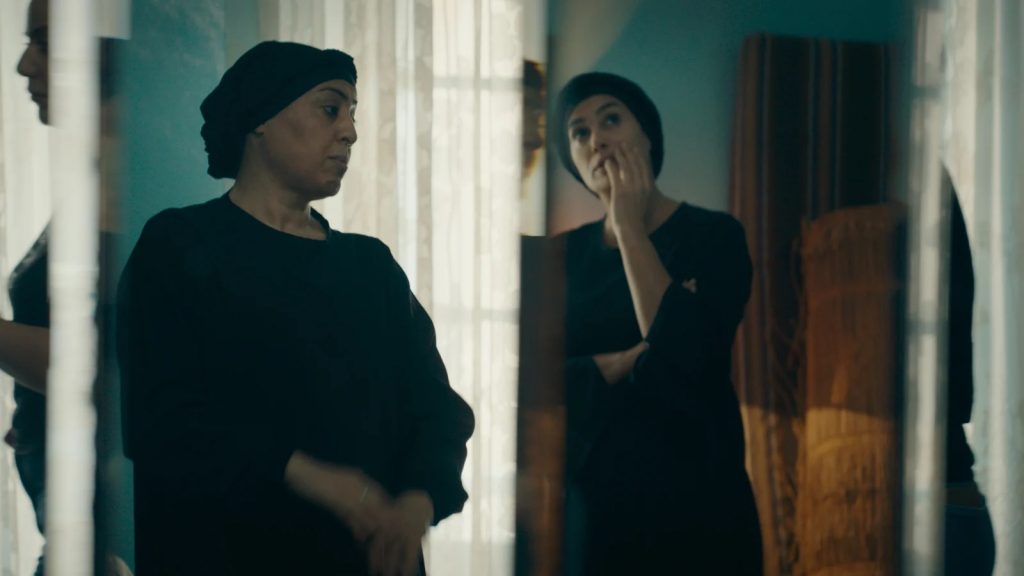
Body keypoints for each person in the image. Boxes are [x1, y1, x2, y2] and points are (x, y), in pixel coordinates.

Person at [116, 41, 474, 576]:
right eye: (331, 108)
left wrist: (416, 503)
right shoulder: (179, 244)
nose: (350, 132)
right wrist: (311, 477)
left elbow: (437, 410)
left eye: (353, 114)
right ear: (260, 118)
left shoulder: (371, 267)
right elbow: (162, 419)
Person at [553, 72, 762, 574]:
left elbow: (687, 360)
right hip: (594, 517)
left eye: (611, 119)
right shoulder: (559, 258)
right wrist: (621, 362)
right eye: (580, 132)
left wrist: (628, 225)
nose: (597, 139)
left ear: (647, 136)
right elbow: (537, 386)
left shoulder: (715, 236)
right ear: (574, 160)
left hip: (701, 507)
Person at [3, 2, 126, 574]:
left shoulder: (130, 182)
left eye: (47, 43)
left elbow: (101, 366)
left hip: (103, 530)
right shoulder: (93, 175)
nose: (24, 65)